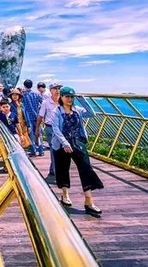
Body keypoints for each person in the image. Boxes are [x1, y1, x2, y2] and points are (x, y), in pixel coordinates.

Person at [51, 86, 104, 216]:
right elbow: (56, 129)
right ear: (61, 98)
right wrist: (65, 143)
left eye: (71, 96)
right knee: (63, 169)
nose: (69, 99)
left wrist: (83, 100)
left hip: (77, 143)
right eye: (67, 96)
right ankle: (65, 195)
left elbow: (92, 113)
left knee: (86, 169)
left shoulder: (77, 110)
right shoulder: (56, 111)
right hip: (61, 144)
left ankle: (88, 201)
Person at [35, 83, 62, 176]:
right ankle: (57, 171)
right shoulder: (45, 102)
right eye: (55, 88)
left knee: (59, 149)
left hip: (61, 128)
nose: (57, 90)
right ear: (50, 90)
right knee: (54, 149)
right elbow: (40, 116)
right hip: (50, 128)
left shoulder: (63, 101)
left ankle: (53, 168)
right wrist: (37, 129)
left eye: (59, 88)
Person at [21, 79, 43, 157]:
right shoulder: (36, 94)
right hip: (37, 115)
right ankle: (41, 150)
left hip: (28, 116)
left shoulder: (23, 95)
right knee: (39, 134)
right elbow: (42, 103)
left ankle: (33, 150)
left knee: (31, 134)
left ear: (24, 85)